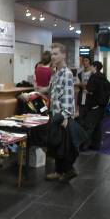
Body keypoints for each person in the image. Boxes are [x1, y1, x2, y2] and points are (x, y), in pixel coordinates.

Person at [46, 43, 83, 183]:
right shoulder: (55, 72)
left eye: (56, 54)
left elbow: (68, 96)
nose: (53, 56)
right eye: (52, 54)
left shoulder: (67, 73)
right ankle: (59, 171)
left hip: (61, 115)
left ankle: (69, 171)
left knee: (64, 146)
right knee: (57, 145)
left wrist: (65, 116)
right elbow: (54, 94)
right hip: (54, 113)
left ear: (63, 55)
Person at [82, 61, 108, 150]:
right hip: (101, 106)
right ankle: (96, 145)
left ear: (95, 67)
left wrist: (87, 91)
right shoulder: (103, 77)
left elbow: (91, 90)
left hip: (94, 106)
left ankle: (84, 146)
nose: (90, 68)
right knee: (97, 126)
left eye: (91, 66)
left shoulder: (94, 77)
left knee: (88, 126)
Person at [77, 56, 92, 122]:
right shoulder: (80, 74)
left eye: (86, 61)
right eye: (83, 61)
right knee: (81, 119)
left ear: (90, 63)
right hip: (81, 99)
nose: (84, 62)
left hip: (90, 99)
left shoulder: (93, 74)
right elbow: (77, 84)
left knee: (89, 120)